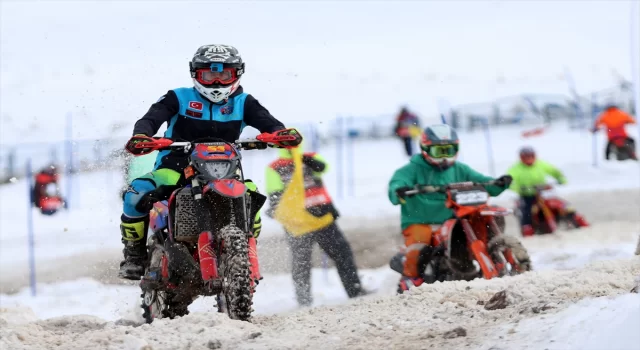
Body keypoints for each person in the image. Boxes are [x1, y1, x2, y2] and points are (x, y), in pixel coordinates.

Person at [119, 44, 302, 280]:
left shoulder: (244, 102)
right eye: (209, 75)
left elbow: (268, 122)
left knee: (252, 196)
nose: (216, 82)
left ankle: (243, 255)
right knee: (136, 192)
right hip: (174, 167)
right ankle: (134, 257)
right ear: (196, 74)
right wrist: (142, 136)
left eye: (224, 75)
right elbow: (151, 118)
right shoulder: (178, 97)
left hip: (225, 171)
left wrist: (280, 133)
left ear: (236, 74)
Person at [388, 124, 512, 289]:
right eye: (439, 151)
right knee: (419, 244)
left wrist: (498, 183)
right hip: (421, 220)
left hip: (455, 219)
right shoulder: (411, 170)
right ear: (425, 149)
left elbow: (482, 182)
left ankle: (502, 263)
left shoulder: (460, 169)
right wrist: (399, 191)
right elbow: (396, 186)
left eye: (450, 150)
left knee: (483, 223)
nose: (445, 157)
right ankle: (410, 279)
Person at [265, 145, 367, 306]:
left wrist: (304, 160)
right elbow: (275, 197)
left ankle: (354, 292)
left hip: (320, 220)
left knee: (340, 255)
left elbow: (323, 167)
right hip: (300, 224)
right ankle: (304, 301)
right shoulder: (274, 168)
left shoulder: (309, 157)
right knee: (302, 264)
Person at [506, 146, 568, 237]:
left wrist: (561, 179)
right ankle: (527, 229)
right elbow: (508, 181)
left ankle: (573, 219)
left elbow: (555, 171)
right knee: (526, 211)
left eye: (531, 156)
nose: (529, 159)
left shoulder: (541, 164)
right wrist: (518, 188)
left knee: (562, 204)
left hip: (543, 193)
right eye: (526, 156)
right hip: (527, 195)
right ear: (521, 158)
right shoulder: (516, 169)